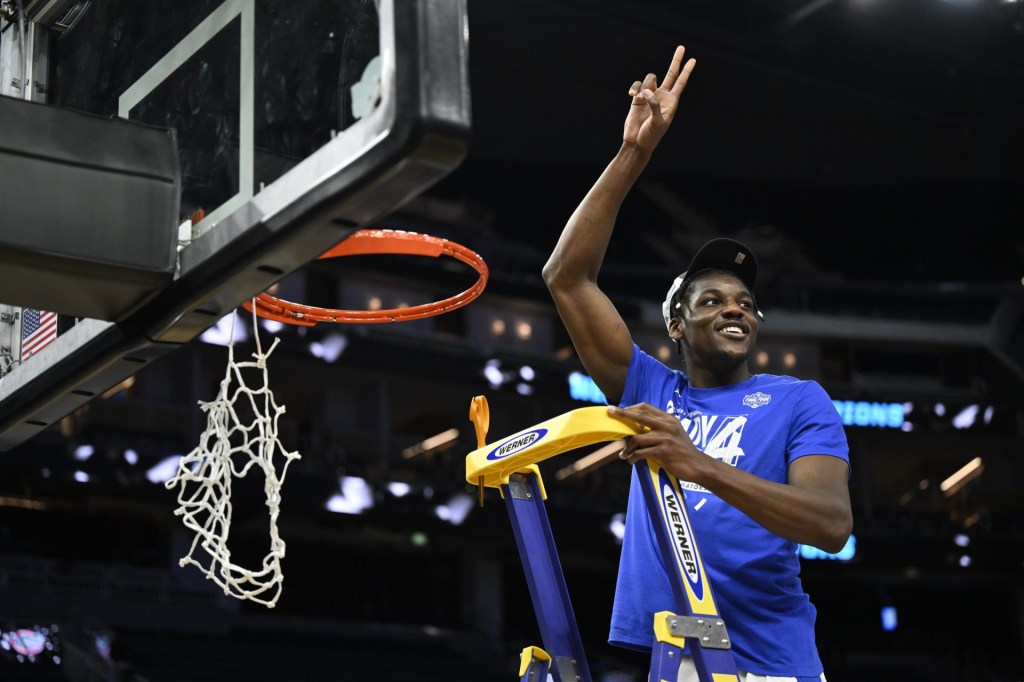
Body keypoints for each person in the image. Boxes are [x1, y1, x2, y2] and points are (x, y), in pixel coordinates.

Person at [542, 45, 853, 682]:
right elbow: (566, 278)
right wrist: (635, 153)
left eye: (745, 303)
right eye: (711, 300)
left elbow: (830, 525)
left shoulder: (800, 400)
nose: (734, 310)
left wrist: (699, 466)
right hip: (675, 657)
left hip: (773, 667)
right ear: (677, 326)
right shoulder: (650, 389)